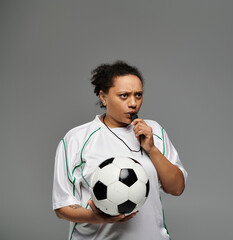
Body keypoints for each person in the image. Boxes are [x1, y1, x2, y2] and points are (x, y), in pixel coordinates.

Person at [52, 60, 188, 240]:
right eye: (124, 95)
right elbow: (62, 206)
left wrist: (152, 148)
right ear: (103, 97)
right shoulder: (77, 139)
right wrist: (95, 217)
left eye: (138, 95)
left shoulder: (154, 131)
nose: (133, 103)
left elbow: (177, 188)